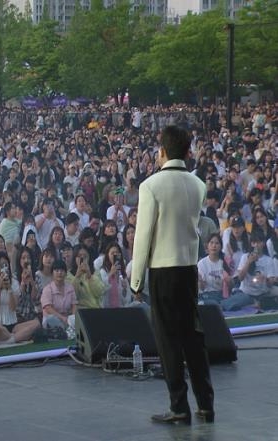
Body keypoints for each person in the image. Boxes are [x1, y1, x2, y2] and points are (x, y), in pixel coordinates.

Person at [131, 125, 214, 425]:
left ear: (162, 151)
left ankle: (179, 406)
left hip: (163, 271)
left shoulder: (150, 186)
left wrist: (136, 279)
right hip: (189, 268)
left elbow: (143, 237)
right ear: (187, 151)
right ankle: (206, 403)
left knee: (168, 341)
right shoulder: (198, 185)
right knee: (193, 336)